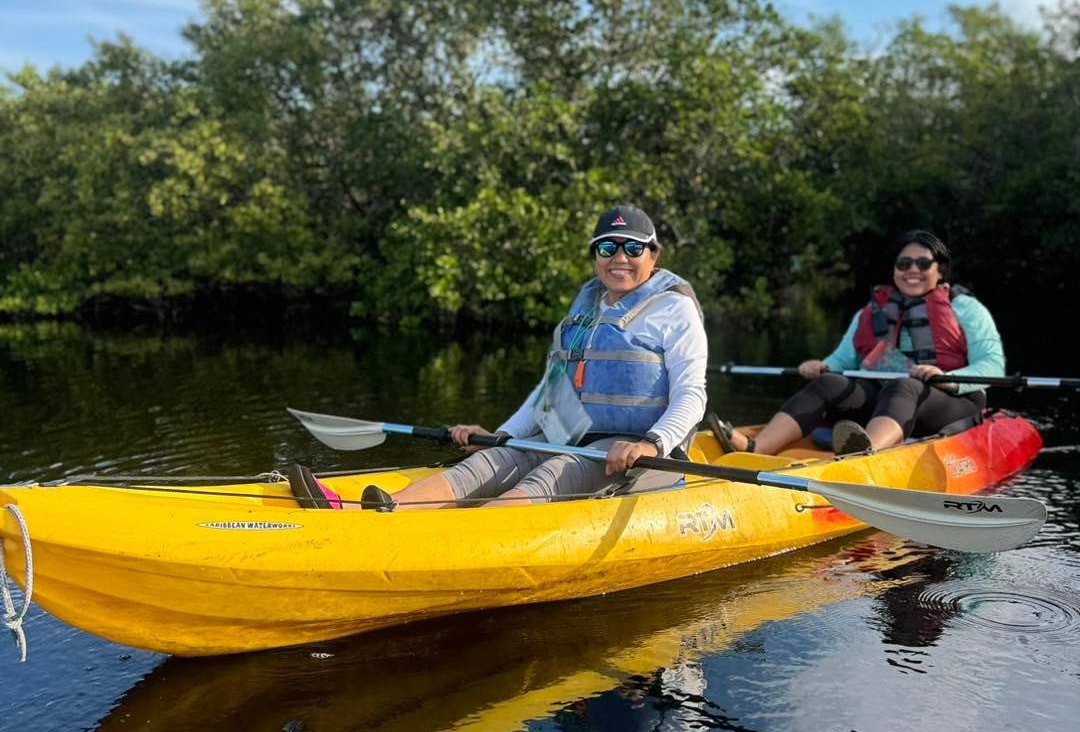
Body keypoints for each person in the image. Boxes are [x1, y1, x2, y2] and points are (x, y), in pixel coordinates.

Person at [290, 205, 709, 510]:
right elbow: (551, 392)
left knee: (555, 471)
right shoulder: (587, 307)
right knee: (494, 460)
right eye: (607, 248)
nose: (620, 258)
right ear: (595, 255)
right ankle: (377, 511)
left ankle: (468, 535)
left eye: (633, 248)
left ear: (653, 255)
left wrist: (649, 442)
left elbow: (692, 395)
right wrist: (499, 434)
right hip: (574, 437)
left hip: (640, 456)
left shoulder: (674, 309)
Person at [728, 228, 1005, 457]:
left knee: (905, 385)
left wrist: (948, 378)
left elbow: (993, 365)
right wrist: (822, 366)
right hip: (886, 400)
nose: (912, 270)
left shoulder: (966, 308)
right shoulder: (869, 312)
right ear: (894, 270)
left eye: (923, 263)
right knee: (828, 383)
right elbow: (842, 360)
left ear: (940, 271)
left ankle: (865, 456)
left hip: (950, 401)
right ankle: (757, 448)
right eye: (903, 263)